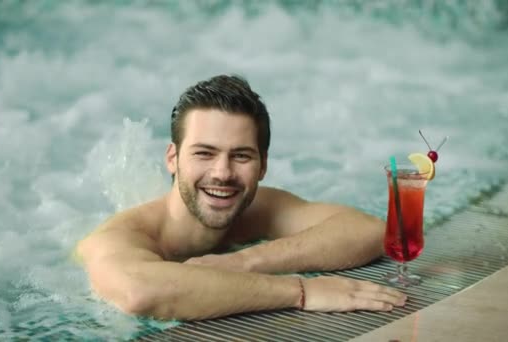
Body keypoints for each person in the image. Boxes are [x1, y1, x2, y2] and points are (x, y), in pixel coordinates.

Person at [75, 74, 406, 321]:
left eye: (242, 156)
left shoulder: (258, 209)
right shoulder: (119, 237)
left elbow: (371, 230)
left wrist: (241, 262)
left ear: (263, 166)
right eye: (205, 153)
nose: (223, 173)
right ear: (172, 159)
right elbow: (141, 293)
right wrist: (300, 292)